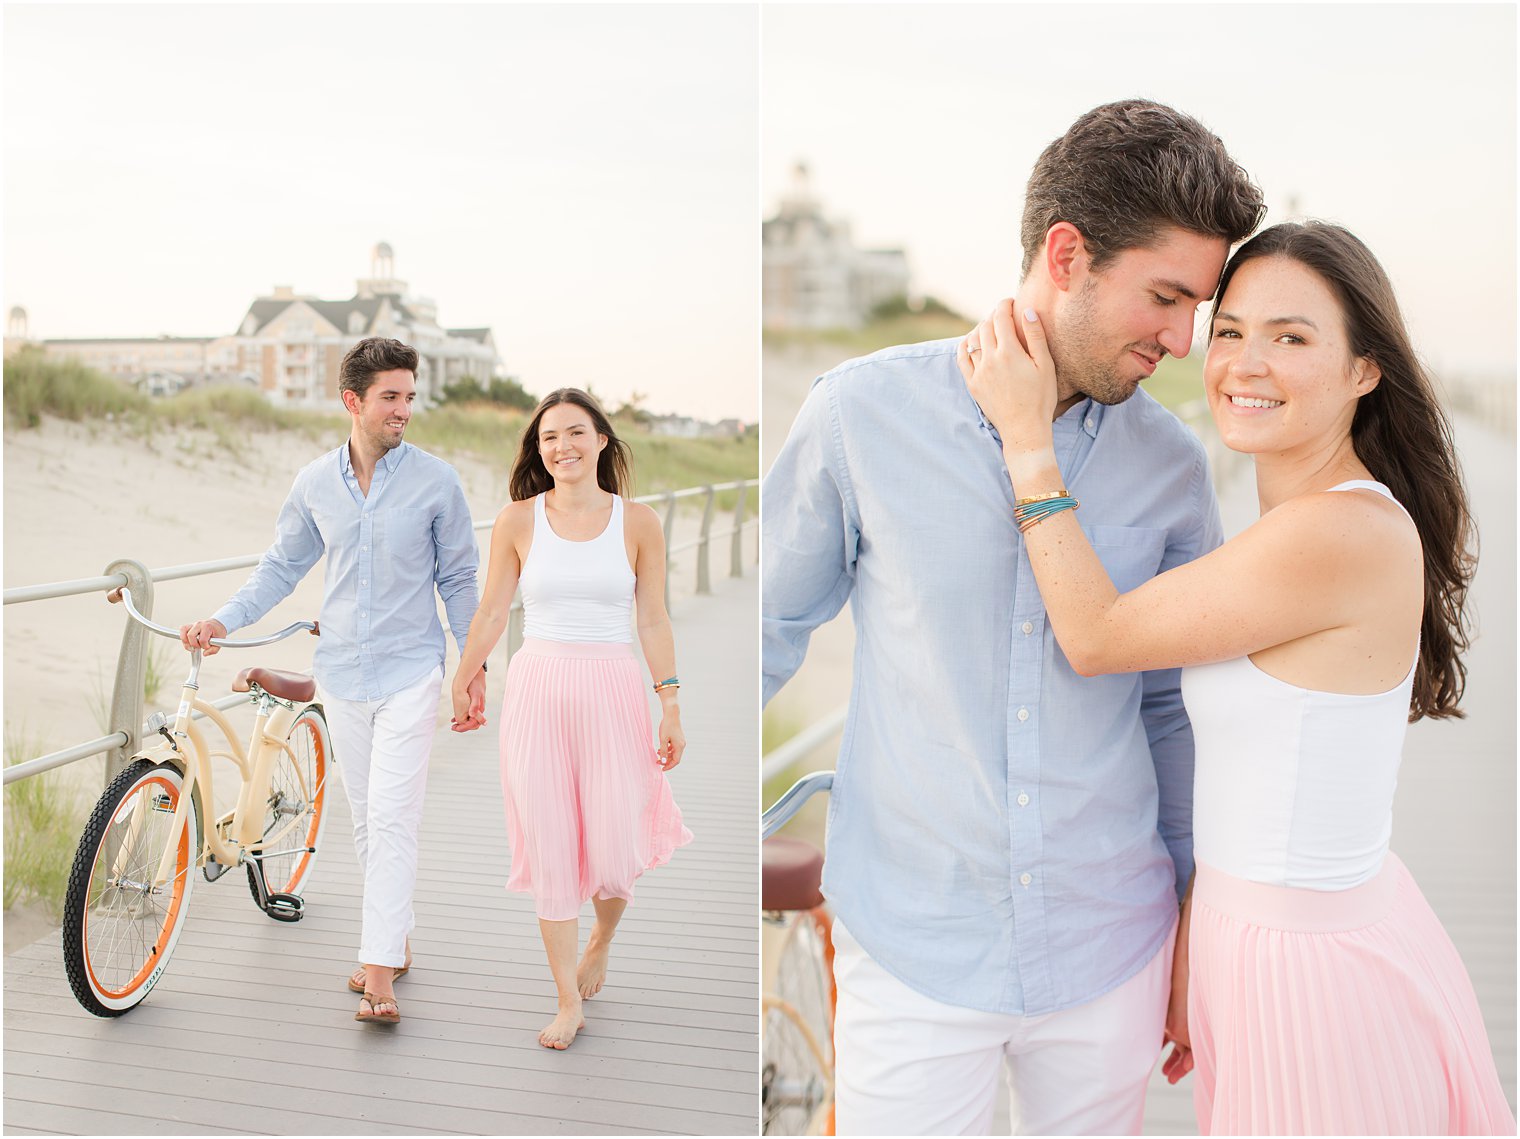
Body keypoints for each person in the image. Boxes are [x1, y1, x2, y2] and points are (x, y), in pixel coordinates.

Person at [762, 99, 1265, 1135]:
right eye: (1164, 296)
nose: (1181, 339)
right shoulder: (860, 415)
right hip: (911, 941)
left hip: (1110, 942)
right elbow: (764, 633)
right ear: (1067, 253)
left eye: (1195, 306)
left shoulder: (1170, 468)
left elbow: (1170, 712)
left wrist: (1189, 918)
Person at [961, 220, 1515, 1135]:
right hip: (1259, 946)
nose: (1243, 364)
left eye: (1291, 338)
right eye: (1229, 331)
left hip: (1315, 974)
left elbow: (1096, 635)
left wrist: (1028, 441)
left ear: (1365, 369)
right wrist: (1194, 941)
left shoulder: (1339, 533)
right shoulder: (1301, 525)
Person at [181, 337, 484, 1025]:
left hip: (412, 670)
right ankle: (394, 938)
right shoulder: (315, 482)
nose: (405, 409)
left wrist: (472, 667)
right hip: (342, 672)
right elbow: (281, 568)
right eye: (391, 397)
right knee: (367, 818)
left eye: (410, 395)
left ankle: (378, 972)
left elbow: (461, 578)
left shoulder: (438, 481)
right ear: (354, 401)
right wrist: (223, 620)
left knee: (394, 813)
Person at [450, 387, 692, 1051]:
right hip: (537, 690)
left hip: (613, 688)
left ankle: (603, 936)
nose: (562, 447)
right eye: (549, 437)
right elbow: (494, 612)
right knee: (551, 844)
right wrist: (466, 672)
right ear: (539, 449)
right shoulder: (517, 521)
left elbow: (653, 616)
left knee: (614, 848)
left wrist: (669, 700)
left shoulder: (637, 522)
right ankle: (565, 999)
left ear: (602, 441)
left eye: (575, 433)